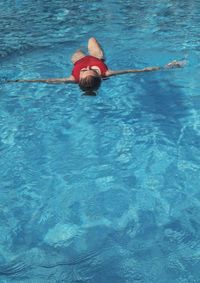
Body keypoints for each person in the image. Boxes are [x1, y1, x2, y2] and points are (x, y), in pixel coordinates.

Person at [7, 37, 185, 95]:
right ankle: (97, 50)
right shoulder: (107, 72)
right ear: (99, 76)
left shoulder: (73, 78)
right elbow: (136, 70)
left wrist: (18, 80)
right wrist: (167, 67)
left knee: (76, 52)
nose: (84, 70)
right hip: (95, 57)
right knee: (92, 41)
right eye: (87, 72)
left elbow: (49, 80)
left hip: (79, 59)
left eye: (83, 73)